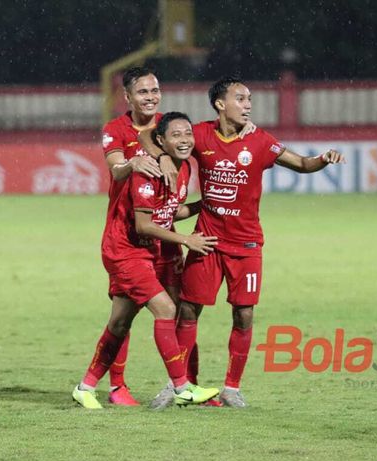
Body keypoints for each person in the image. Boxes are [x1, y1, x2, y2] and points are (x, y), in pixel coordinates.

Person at [139, 76, 345, 408]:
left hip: (247, 246)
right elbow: (149, 134)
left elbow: (304, 164)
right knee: (189, 310)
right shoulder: (201, 133)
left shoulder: (261, 141)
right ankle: (180, 384)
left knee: (244, 314)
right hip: (206, 241)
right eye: (241, 98)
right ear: (220, 104)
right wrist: (162, 157)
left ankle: (231, 388)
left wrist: (323, 158)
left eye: (249, 99)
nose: (248, 104)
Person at [72, 112, 220, 409]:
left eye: (187, 134)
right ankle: (182, 388)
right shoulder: (146, 171)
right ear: (161, 141)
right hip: (125, 249)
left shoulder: (186, 169)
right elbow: (144, 225)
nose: (184, 140)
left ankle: (85, 387)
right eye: (175, 135)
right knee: (165, 308)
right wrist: (186, 240)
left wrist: (203, 205)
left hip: (146, 250)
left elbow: (170, 211)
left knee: (120, 321)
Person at [94, 66, 182, 406]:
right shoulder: (115, 129)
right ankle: (117, 386)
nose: (150, 97)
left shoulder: (167, 126)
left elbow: (200, 139)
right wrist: (133, 163)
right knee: (125, 314)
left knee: (180, 311)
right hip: (127, 236)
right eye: (143, 92)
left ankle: (182, 382)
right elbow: (115, 167)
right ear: (128, 97)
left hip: (163, 234)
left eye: (155, 90)